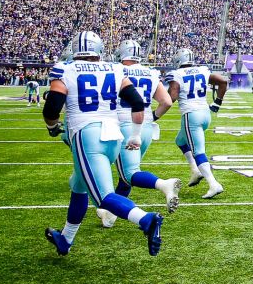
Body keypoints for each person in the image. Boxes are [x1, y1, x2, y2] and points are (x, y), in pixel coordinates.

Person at [42, 31, 166, 256]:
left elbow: (51, 108)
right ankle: (66, 239)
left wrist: (52, 127)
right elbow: (137, 102)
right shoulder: (114, 68)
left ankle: (146, 220)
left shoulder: (65, 68)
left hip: (87, 134)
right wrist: (136, 134)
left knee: (103, 197)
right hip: (114, 134)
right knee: (78, 186)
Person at [95, 40, 181, 228]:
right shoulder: (150, 72)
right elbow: (166, 101)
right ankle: (110, 215)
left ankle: (163, 184)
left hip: (124, 124)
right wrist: (153, 118)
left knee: (129, 173)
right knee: (126, 173)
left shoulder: (117, 70)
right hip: (146, 126)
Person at [163, 48, 229, 199]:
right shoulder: (202, 70)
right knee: (180, 140)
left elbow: (171, 97)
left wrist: (159, 98)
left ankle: (213, 184)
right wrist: (217, 102)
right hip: (205, 114)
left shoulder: (177, 74)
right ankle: (195, 170)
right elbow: (223, 81)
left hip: (191, 115)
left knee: (198, 152)